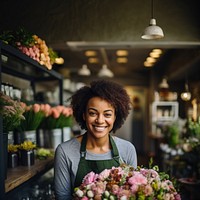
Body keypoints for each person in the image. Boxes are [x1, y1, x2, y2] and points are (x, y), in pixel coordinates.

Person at [54, 79, 137, 199]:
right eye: (93, 113)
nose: (100, 120)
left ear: (115, 117)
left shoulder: (127, 149)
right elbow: (62, 197)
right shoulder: (65, 151)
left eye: (107, 114)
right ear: (84, 115)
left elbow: (132, 195)